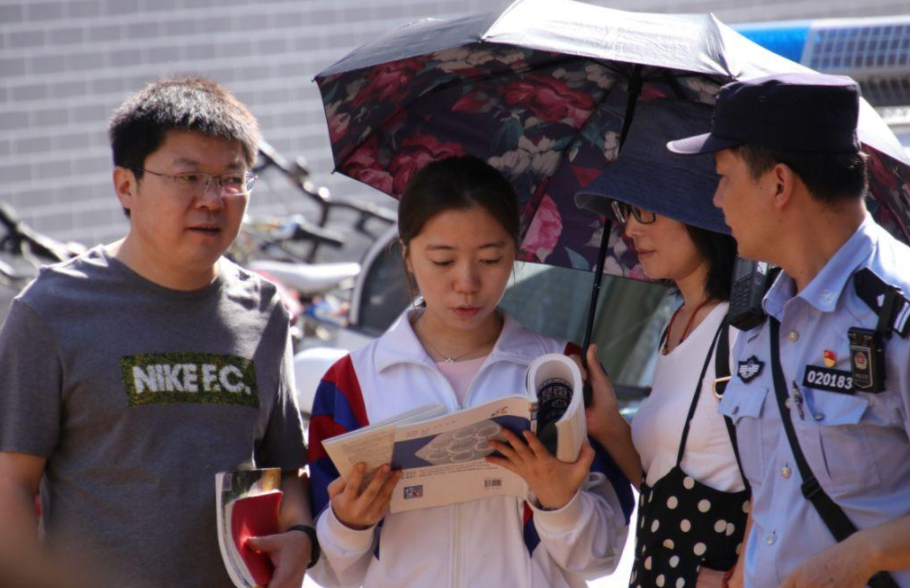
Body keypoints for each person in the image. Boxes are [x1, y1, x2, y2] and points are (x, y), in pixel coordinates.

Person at [0, 76, 314, 588]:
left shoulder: (264, 309)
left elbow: (286, 467)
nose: (213, 199)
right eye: (189, 177)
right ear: (126, 185)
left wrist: (300, 534)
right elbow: (11, 485)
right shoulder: (51, 310)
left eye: (232, 178)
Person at [306, 155, 632, 588]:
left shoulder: (561, 374)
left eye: (491, 259)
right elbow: (323, 568)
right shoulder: (349, 383)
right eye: (443, 261)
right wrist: (348, 523)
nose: (467, 283)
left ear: (515, 253)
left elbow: (602, 558)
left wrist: (560, 501)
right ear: (407, 255)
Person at [668, 72, 910, 588]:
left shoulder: (897, 310)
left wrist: (864, 555)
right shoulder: (760, 316)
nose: (716, 200)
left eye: (724, 177)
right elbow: (777, 498)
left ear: (779, 184)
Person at [576, 99, 749, 588]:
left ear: (699, 207)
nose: (630, 227)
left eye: (645, 209)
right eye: (624, 209)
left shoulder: (745, 328)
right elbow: (662, 486)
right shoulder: (677, 324)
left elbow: (779, 480)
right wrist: (607, 423)